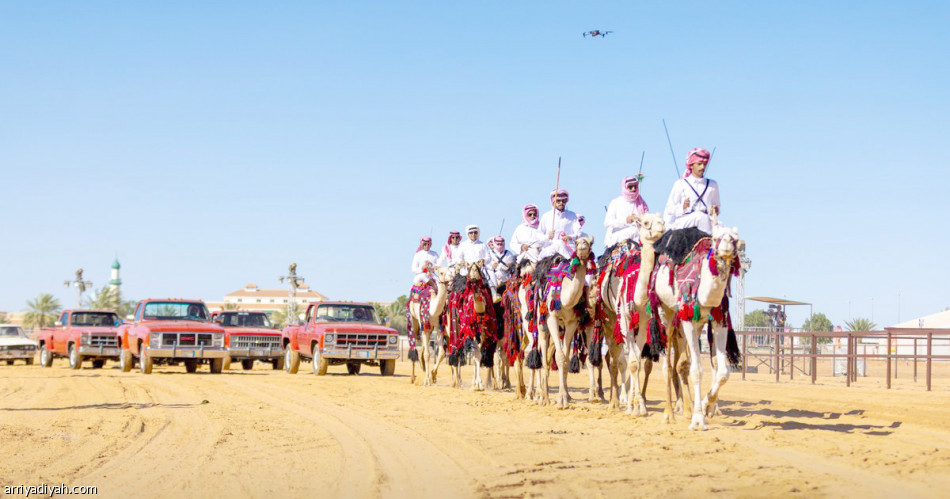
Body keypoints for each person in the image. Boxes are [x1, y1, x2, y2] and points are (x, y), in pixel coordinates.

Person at [663, 148, 720, 234]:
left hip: (707, 222)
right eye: (699, 164)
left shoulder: (712, 185)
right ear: (691, 165)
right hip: (685, 222)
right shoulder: (680, 184)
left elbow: (717, 206)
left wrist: (715, 210)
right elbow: (669, 209)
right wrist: (683, 207)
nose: (703, 167)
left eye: (704, 164)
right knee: (699, 217)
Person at [604, 175, 650, 247]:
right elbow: (607, 222)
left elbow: (648, 219)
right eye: (630, 187)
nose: (633, 188)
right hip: (619, 240)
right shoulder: (616, 202)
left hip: (639, 239)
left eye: (635, 186)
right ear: (625, 187)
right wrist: (626, 220)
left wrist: (640, 219)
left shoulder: (641, 202)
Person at [538, 189, 581, 260]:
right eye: (558, 201)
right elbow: (538, 236)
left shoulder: (572, 215)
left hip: (569, 249)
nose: (561, 203)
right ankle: (570, 261)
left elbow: (579, 232)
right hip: (550, 249)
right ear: (553, 201)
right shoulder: (546, 216)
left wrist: (570, 237)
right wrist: (548, 237)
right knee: (559, 244)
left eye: (563, 201)